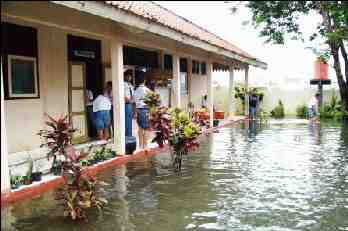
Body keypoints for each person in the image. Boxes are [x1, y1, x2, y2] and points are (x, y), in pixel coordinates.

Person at [134, 71, 152, 149]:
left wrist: (135, 112)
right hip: (145, 109)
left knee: (140, 128)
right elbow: (153, 101)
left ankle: (140, 145)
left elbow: (134, 102)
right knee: (147, 128)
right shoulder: (147, 90)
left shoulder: (136, 90)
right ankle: (145, 145)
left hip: (138, 110)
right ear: (144, 80)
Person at [124, 69, 134, 137]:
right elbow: (123, 94)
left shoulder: (130, 85)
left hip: (130, 104)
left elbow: (132, 94)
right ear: (125, 76)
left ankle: (130, 135)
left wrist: (132, 100)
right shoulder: (122, 83)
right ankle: (127, 136)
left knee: (130, 121)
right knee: (126, 121)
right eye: (128, 76)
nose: (130, 78)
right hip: (126, 104)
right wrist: (128, 100)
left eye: (130, 76)